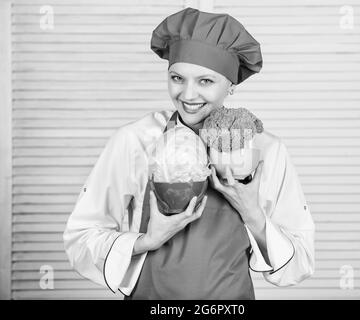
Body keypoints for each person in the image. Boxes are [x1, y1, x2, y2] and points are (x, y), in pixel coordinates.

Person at [63, 7, 315, 300]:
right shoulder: (135, 141)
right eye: (177, 78)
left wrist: (253, 214)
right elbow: (80, 238)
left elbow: (300, 262)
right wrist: (146, 241)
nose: (188, 95)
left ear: (231, 85)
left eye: (205, 81)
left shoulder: (263, 150)